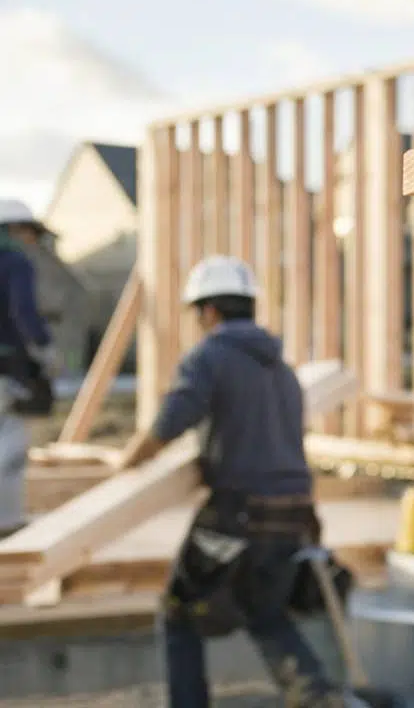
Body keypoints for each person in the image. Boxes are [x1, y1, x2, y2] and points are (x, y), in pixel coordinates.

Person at [118, 255, 342, 707]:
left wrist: (128, 462)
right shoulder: (283, 371)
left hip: (236, 516)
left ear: (209, 312)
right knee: (265, 613)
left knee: (179, 615)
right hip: (294, 515)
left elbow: (171, 421)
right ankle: (322, 701)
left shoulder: (211, 357)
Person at [0, 199, 59, 540]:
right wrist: (44, 350)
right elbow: (24, 312)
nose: (31, 243)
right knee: (10, 445)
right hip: (6, 371)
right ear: (14, 229)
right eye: (29, 234)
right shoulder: (14, 262)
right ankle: (6, 525)